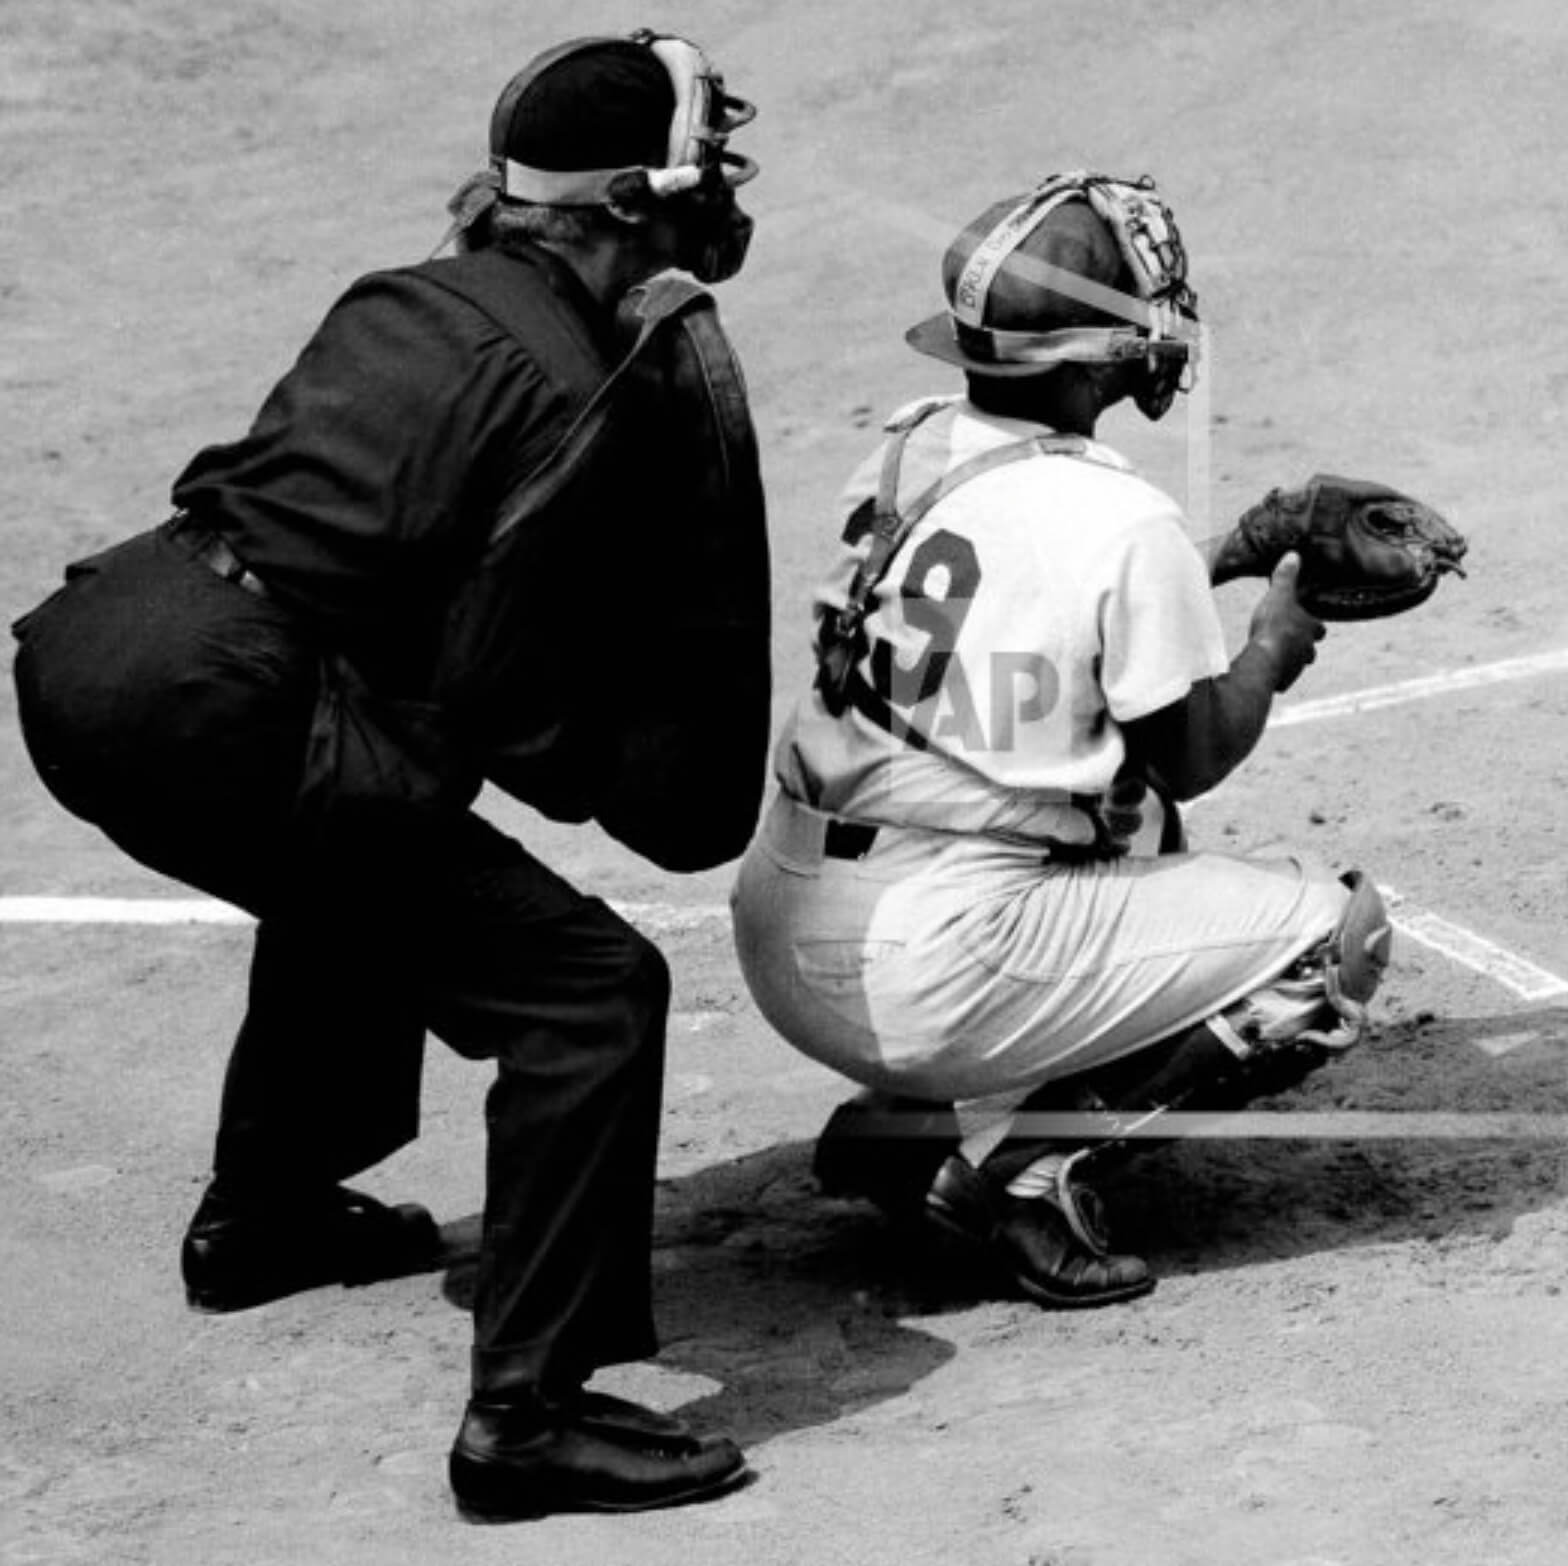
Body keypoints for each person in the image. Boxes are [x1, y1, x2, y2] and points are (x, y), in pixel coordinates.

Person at [12, 30, 771, 1522]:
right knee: (588, 992)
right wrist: (604, 768)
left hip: (104, 645)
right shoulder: (585, 385)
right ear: (627, 203)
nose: (722, 202)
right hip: (226, 702)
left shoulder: (416, 291)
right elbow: (505, 680)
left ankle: (267, 1218)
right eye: (698, 180)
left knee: (359, 838)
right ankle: (527, 1419)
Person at [730, 171, 1392, 1310]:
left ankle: (901, 1132)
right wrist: (1268, 653)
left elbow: (1032, 591)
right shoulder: (1118, 519)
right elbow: (1191, 744)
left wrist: (1225, 552)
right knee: (1331, 941)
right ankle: (1025, 1174)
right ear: (1097, 360)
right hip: (932, 965)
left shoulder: (908, 444)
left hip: (785, 928)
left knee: (1128, 820)